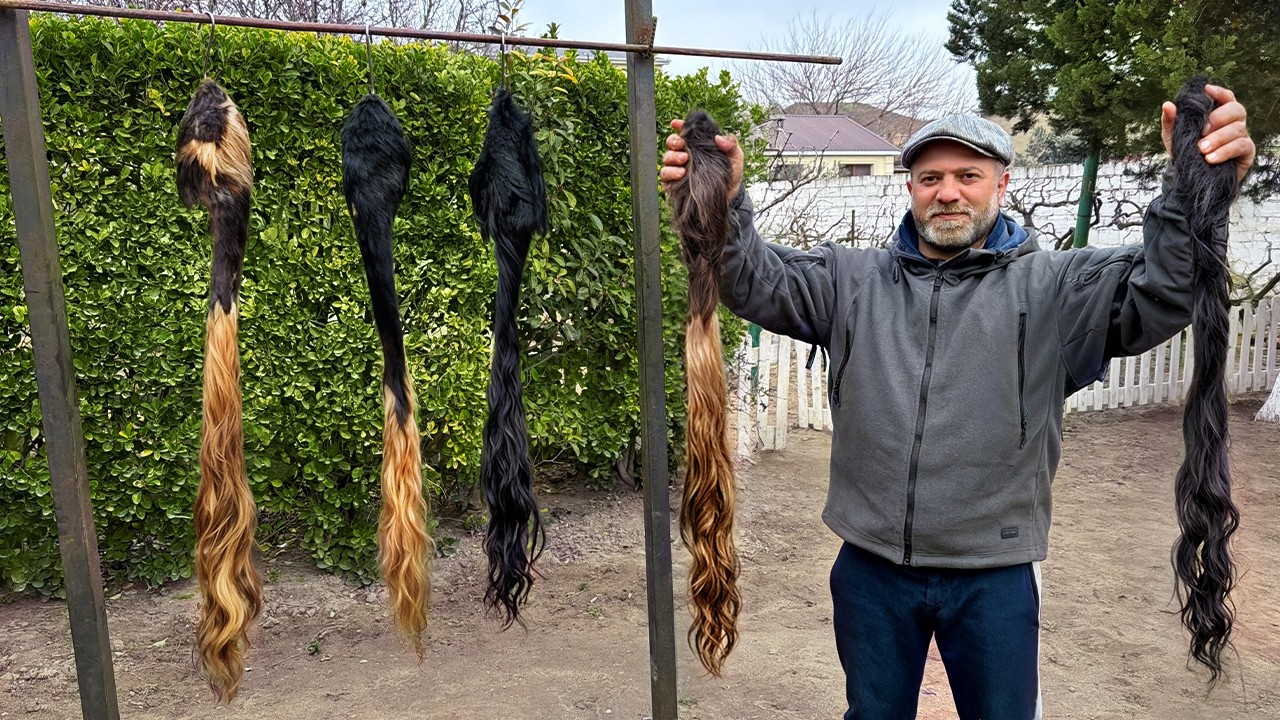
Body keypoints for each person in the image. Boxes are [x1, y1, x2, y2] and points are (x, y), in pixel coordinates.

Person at [659, 85, 1256, 720]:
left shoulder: (1056, 288)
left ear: (1000, 186)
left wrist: (1189, 188)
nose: (948, 191)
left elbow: (1165, 287)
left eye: (968, 175)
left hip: (992, 573)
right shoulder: (851, 282)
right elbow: (751, 279)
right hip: (872, 568)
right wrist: (722, 207)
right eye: (930, 177)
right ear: (910, 188)